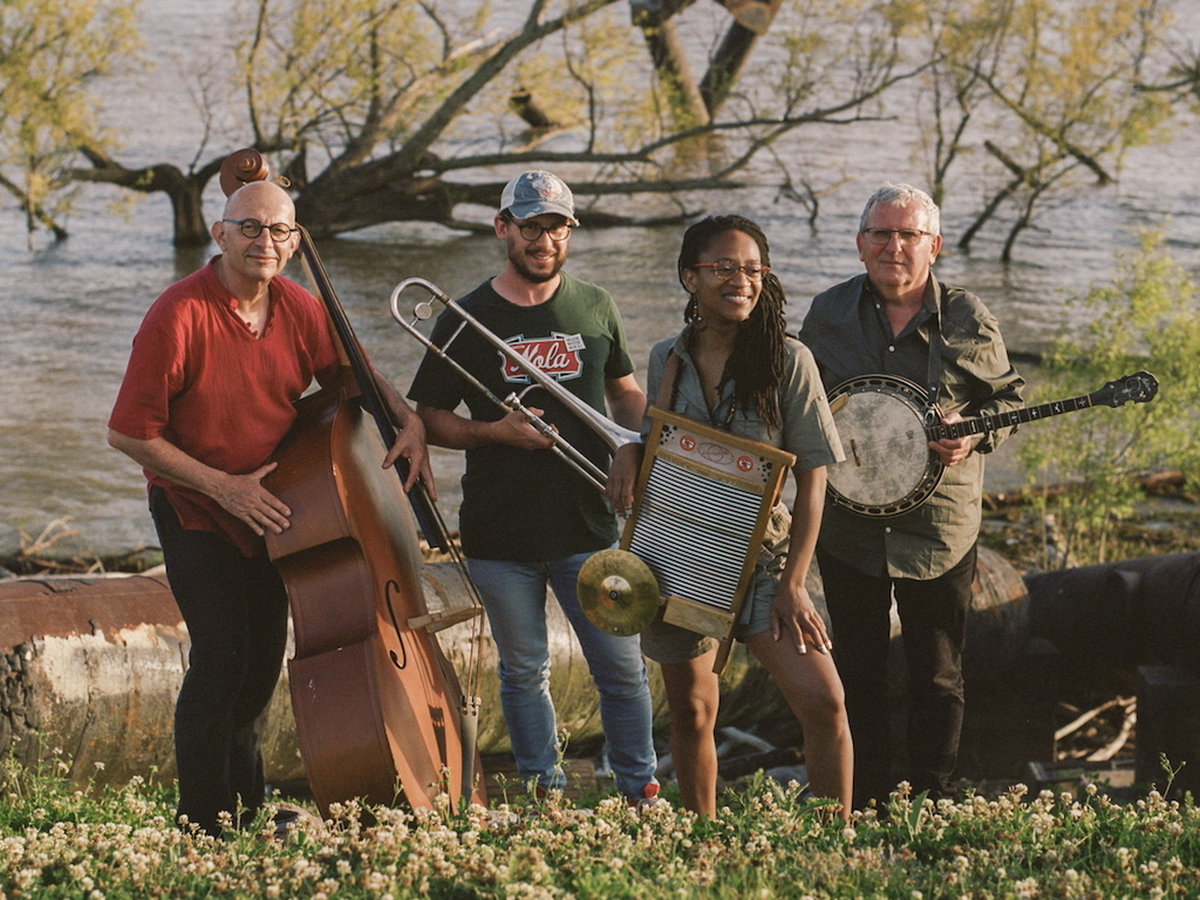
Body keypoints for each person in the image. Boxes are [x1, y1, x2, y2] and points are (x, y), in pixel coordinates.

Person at [107, 180, 432, 836]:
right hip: (195, 505)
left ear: (294, 240)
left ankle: (244, 815)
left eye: (280, 230)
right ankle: (200, 822)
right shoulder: (178, 315)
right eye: (250, 228)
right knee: (222, 656)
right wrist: (222, 486)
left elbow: (350, 375)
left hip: (278, 505)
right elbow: (127, 433)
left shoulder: (298, 304)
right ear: (220, 234)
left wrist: (408, 418)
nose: (266, 242)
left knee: (260, 665)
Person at [406, 170, 659, 803]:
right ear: (504, 228)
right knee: (523, 673)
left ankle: (638, 792)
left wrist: (632, 447)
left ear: (569, 232)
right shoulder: (465, 316)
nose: (544, 239)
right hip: (501, 533)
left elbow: (626, 394)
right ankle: (544, 792)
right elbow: (429, 418)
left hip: (590, 522)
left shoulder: (595, 305)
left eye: (557, 227)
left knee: (623, 671)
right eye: (531, 226)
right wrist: (497, 432)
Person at [609, 214, 853, 818]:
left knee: (824, 704)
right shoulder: (667, 358)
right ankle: (702, 840)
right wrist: (629, 447)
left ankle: (835, 843)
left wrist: (794, 585)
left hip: (765, 560)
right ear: (690, 277)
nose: (739, 280)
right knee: (692, 712)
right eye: (722, 267)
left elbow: (814, 479)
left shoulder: (788, 360)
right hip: (675, 558)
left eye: (751, 269)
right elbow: (661, 448)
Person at [799, 183, 1025, 808]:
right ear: (860, 242)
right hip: (850, 523)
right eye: (880, 233)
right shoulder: (828, 313)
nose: (892, 246)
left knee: (937, 674)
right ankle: (866, 794)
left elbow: (1008, 401)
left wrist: (973, 437)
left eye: (907, 235)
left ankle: (931, 795)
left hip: (939, 525)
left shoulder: (968, 317)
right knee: (859, 670)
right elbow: (802, 402)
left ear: (934, 246)